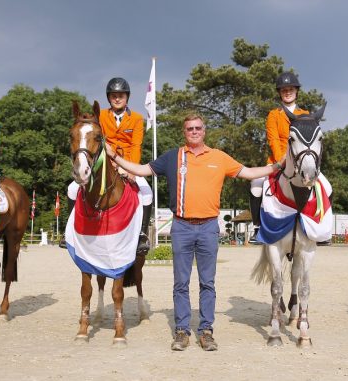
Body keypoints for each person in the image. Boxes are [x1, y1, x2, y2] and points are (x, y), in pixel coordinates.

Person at [106, 113, 283, 351]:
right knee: (181, 282)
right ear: (184, 132)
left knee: (207, 283)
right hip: (181, 227)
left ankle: (206, 331)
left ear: (204, 130)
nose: (194, 131)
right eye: (189, 128)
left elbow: (249, 173)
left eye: (198, 128)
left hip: (209, 227)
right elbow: (140, 170)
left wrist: (280, 165)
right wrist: (114, 155)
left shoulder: (219, 157)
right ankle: (181, 331)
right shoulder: (172, 157)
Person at [64, 77, 153, 254]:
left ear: (127, 97)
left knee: (147, 193)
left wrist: (131, 169)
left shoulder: (136, 118)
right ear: (109, 98)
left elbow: (136, 146)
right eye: (113, 96)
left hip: (128, 162)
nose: (117, 99)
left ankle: (142, 234)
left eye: (121, 95)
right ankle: (71, 229)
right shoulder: (101, 116)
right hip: (105, 161)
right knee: (72, 189)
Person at [249, 72, 309, 243]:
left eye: (290, 89)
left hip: (302, 161)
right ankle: (257, 228)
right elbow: (273, 139)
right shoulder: (274, 114)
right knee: (255, 185)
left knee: (325, 186)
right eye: (284, 90)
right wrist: (281, 160)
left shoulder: (304, 114)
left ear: (296, 91)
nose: (287, 92)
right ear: (280, 93)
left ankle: (320, 228)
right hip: (278, 160)